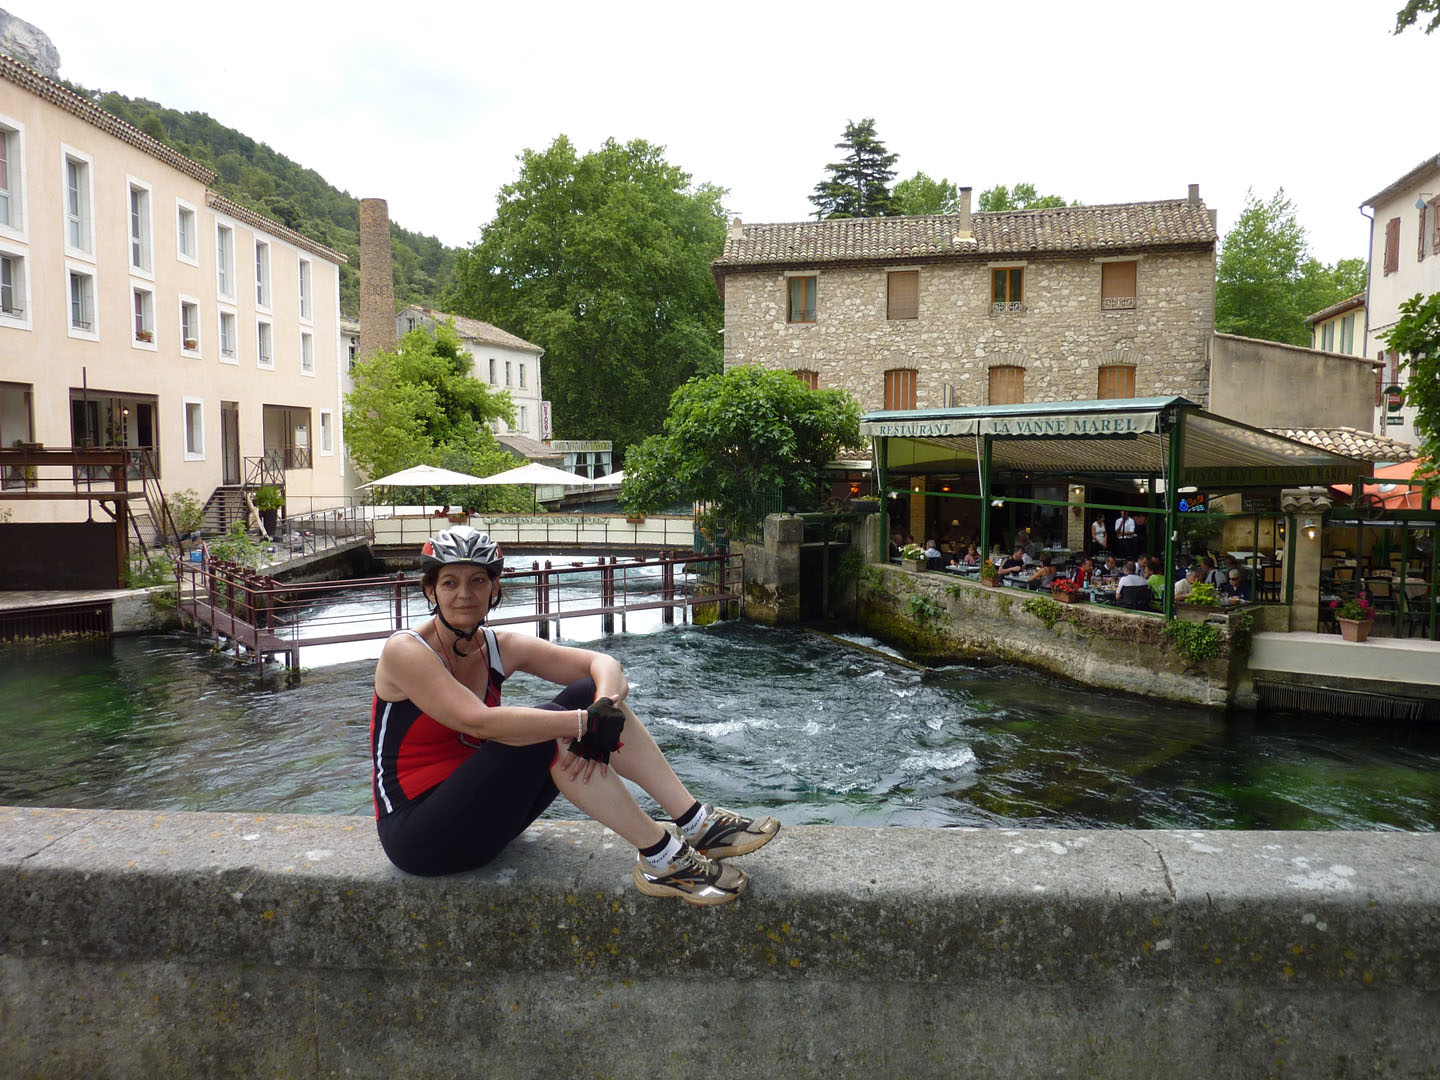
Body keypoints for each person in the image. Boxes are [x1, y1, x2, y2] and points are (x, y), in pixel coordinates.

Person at [370, 527, 778, 907]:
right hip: (419, 836)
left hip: (483, 819)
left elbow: (603, 663)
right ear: (430, 591)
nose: (465, 593)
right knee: (549, 725)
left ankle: (696, 823)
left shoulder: (496, 646)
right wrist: (583, 724)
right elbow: (477, 721)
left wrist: (603, 706)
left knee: (586, 695)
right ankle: (663, 858)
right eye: (450, 582)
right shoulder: (405, 651)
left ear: (495, 587)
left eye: (478, 580)